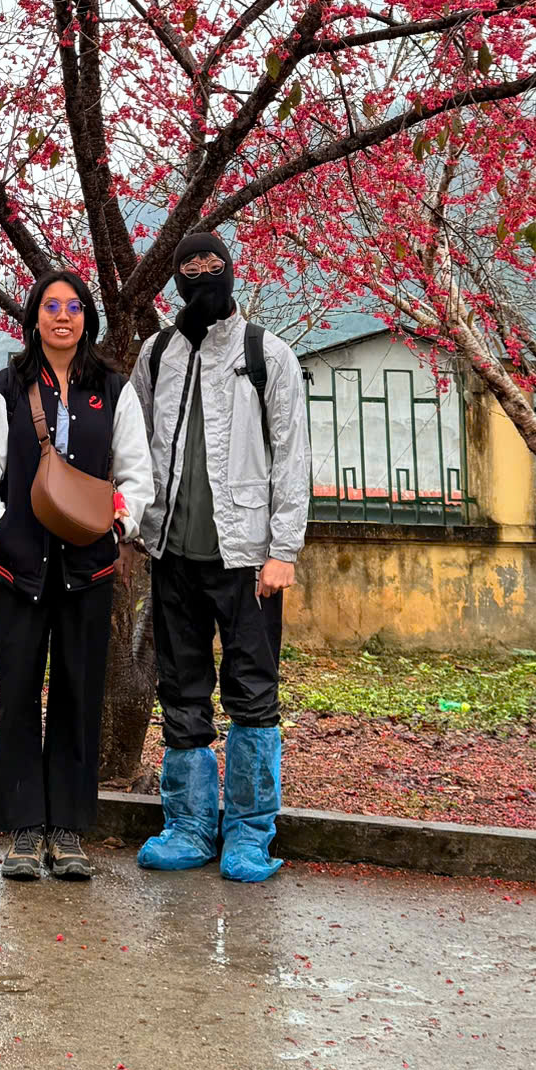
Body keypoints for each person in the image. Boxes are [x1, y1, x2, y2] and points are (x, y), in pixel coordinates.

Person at [128, 229, 310, 882]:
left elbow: (292, 456)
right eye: (189, 269)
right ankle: (187, 825)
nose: (202, 278)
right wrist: (134, 521)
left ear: (231, 273)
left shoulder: (268, 354)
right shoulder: (158, 354)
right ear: (174, 280)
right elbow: (139, 442)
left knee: (253, 694)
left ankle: (251, 833)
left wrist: (283, 550)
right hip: (173, 552)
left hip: (249, 558)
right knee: (181, 689)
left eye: (213, 267)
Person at [0, 267, 153, 882]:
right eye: (50, 305)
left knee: (77, 694)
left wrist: (114, 531)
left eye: (73, 306)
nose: (62, 316)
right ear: (34, 316)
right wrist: (0, 529)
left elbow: (135, 476)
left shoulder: (113, 389)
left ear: (86, 318)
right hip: (18, 568)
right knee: (17, 692)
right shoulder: (6, 387)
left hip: (89, 570)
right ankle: (23, 828)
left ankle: (68, 828)